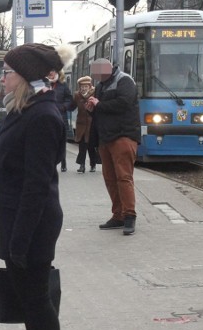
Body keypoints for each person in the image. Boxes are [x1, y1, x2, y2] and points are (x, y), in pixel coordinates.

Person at [0, 42, 75, 330]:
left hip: (32, 224)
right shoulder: (25, 109)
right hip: (18, 220)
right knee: (29, 302)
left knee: (38, 304)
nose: (3, 78)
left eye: (8, 72)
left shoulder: (43, 115)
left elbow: (37, 185)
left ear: (25, 77)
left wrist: (20, 240)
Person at [85, 58, 141, 235]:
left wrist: (99, 104)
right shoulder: (102, 85)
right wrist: (91, 108)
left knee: (124, 177)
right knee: (110, 178)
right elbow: (101, 109)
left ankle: (129, 216)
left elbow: (124, 103)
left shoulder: (124, 81)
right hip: (106, 138)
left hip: (123, 136)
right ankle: (118, 215)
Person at [72, 76, 98, 173]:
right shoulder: (77, 96)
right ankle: (82, 166)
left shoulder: (94, 94)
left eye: (86, 86)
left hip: (92, 125)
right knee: (82, 146)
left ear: (89, 86)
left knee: (91, 146)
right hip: (81, 125)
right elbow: (72, 106)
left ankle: (93, 164)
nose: (83, 88)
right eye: (82, 87)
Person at [51, 71, 74, 171]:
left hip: (61, 116)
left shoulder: (63, 85)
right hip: (47, 116)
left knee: (61, 141)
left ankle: (63, 163)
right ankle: (51, 163)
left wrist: (64, 107)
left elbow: (69, 99)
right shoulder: (44, 84)